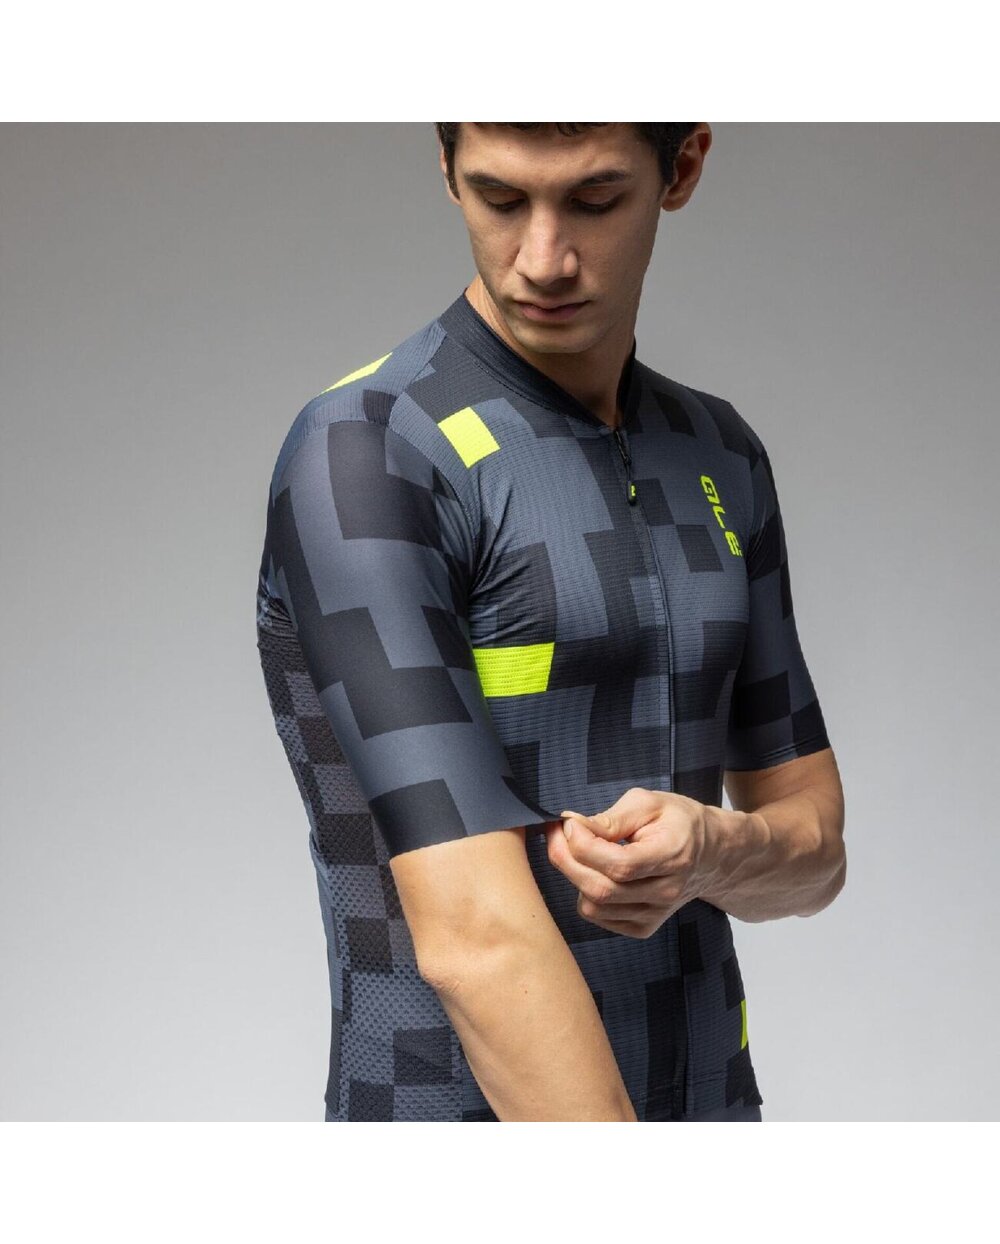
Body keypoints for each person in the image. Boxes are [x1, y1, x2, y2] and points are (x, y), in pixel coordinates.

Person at [255, 121, 846, 1122]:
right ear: (446, 168)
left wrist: (712, 849)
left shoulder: (717, 450)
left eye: (593, 200)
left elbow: (815, 846)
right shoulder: (368, 451)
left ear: (682, 167)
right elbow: (475, 937)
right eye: (500, 198)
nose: (543, 258)